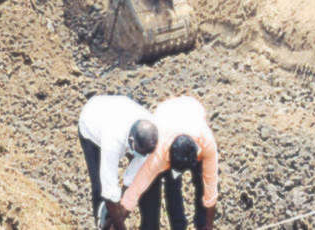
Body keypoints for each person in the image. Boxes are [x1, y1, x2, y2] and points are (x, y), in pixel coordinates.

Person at [120, 96, 218, 230]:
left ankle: (200, 225)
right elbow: (135, 190)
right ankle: (178, 226)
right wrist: (116, 223)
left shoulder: (207, 144)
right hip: (165, 114)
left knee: (201, 182)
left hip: (192, 108)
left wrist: (208, 225)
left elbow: (211, 190)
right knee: (171, 184)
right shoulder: (158, 154)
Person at [78, 95, 160, 230]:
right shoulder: (113, 141)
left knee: (140, 181)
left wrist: (121, 213)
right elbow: (109, 191)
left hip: (118, 112)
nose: (142, 155)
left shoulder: (151, 135)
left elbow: (132, 181)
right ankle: (101, 223)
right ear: (131, 141)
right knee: (100, 187)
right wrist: (119, 225)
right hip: (91, 127)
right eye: (140, 152)